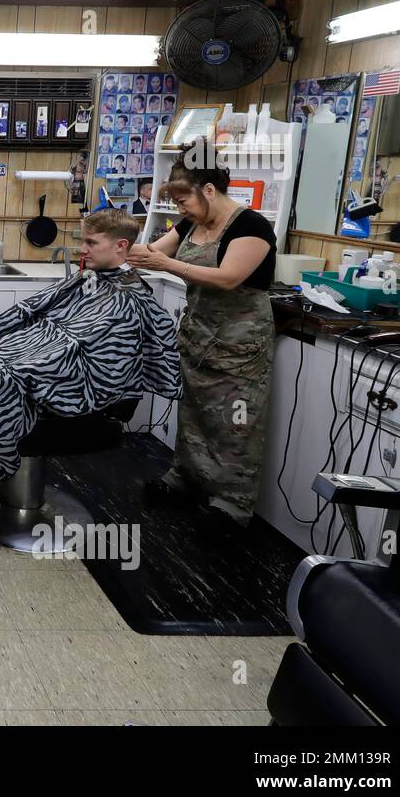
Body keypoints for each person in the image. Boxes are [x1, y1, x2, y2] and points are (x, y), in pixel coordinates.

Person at [0, 210, 180, 506]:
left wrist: (25, 365)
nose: (83, 249)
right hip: (48, 366)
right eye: (84, 241)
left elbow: (94, 357)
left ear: (121, 246)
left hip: (77, 389)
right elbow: (42, 318)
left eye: (92, 243)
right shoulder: (94, 279)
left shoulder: (131, 299)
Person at [126, 158, 277, 537]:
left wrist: (166, 264)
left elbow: (228, 278)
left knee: (235, 423)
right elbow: (153, 253)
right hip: (198, 336)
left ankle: (232, 504)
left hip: (238, 346)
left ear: (209, 190)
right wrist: (121, 251)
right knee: (193, 415)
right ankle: (186, 479)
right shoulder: (193, 221)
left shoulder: (251, 226)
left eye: (183, 201)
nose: (180, 210)